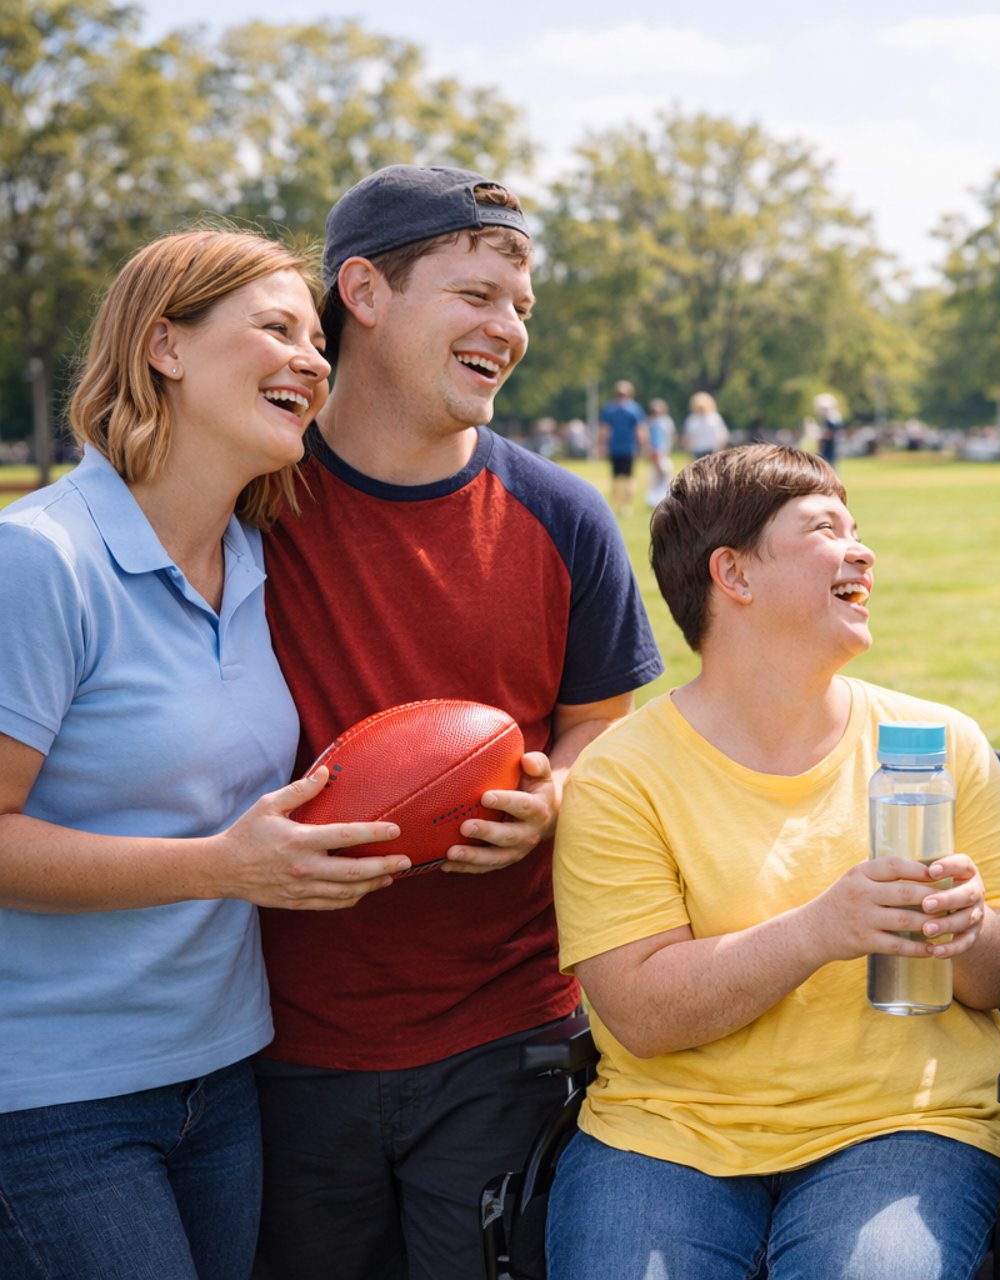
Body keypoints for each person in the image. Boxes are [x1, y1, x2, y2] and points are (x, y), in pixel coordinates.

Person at [252, 165, 663, 1279]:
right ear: (365, 293)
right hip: (274, 1039)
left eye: (522, 305)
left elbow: (600, 734)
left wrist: (553, 794)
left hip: (505, 1037)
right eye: (477, 292)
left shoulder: (565, 516)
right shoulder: (247, 502)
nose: (509, 326)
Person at [547, 444, 1000, 1279]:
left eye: (858, 528)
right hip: (666, 1135)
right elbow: (641, 1012)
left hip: (904, 1127)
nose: (863, 550)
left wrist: (969, 932)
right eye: (826, 529)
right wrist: (822, 929)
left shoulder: (938, 746)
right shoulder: (621, 771)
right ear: (734, 575)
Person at [0, 230, 406, 1278]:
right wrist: (221, 865)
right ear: (164, 347)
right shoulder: (42, 560)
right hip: (52, 1096)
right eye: (276, 328)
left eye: (319, 342)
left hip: (225, 1075)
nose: (313, 361)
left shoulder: (259, 558)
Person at [598, 380, 642, 517]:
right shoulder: (634, 409)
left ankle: (617, 505)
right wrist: (643, 446)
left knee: (615, 478)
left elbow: (604, 430)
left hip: (615, 448)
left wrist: (601, 445)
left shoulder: (609, 409)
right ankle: (625, 506)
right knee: (629, 478)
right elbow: (639, 430)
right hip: (628, 448)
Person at [681, 389, 730, 460]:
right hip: (697, 451)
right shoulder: (692, 419)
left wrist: (719, 448)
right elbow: (688, 438)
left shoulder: (714, 417)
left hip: (712, 450)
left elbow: (723, 434)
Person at [645, 396, 677, 504]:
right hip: (655, 451)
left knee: (664, 473)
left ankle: (663, 496)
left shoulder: (666, 422)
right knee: (655, 476)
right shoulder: (650, 423)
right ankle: (653, 498)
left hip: (663, 452)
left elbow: (669, 437)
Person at [814, 391, 846, 468]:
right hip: (830, 445)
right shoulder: (833, 417)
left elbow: (831, 432)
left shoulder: (831, 418)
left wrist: (821, 437)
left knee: (829, 464)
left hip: (830, 445)